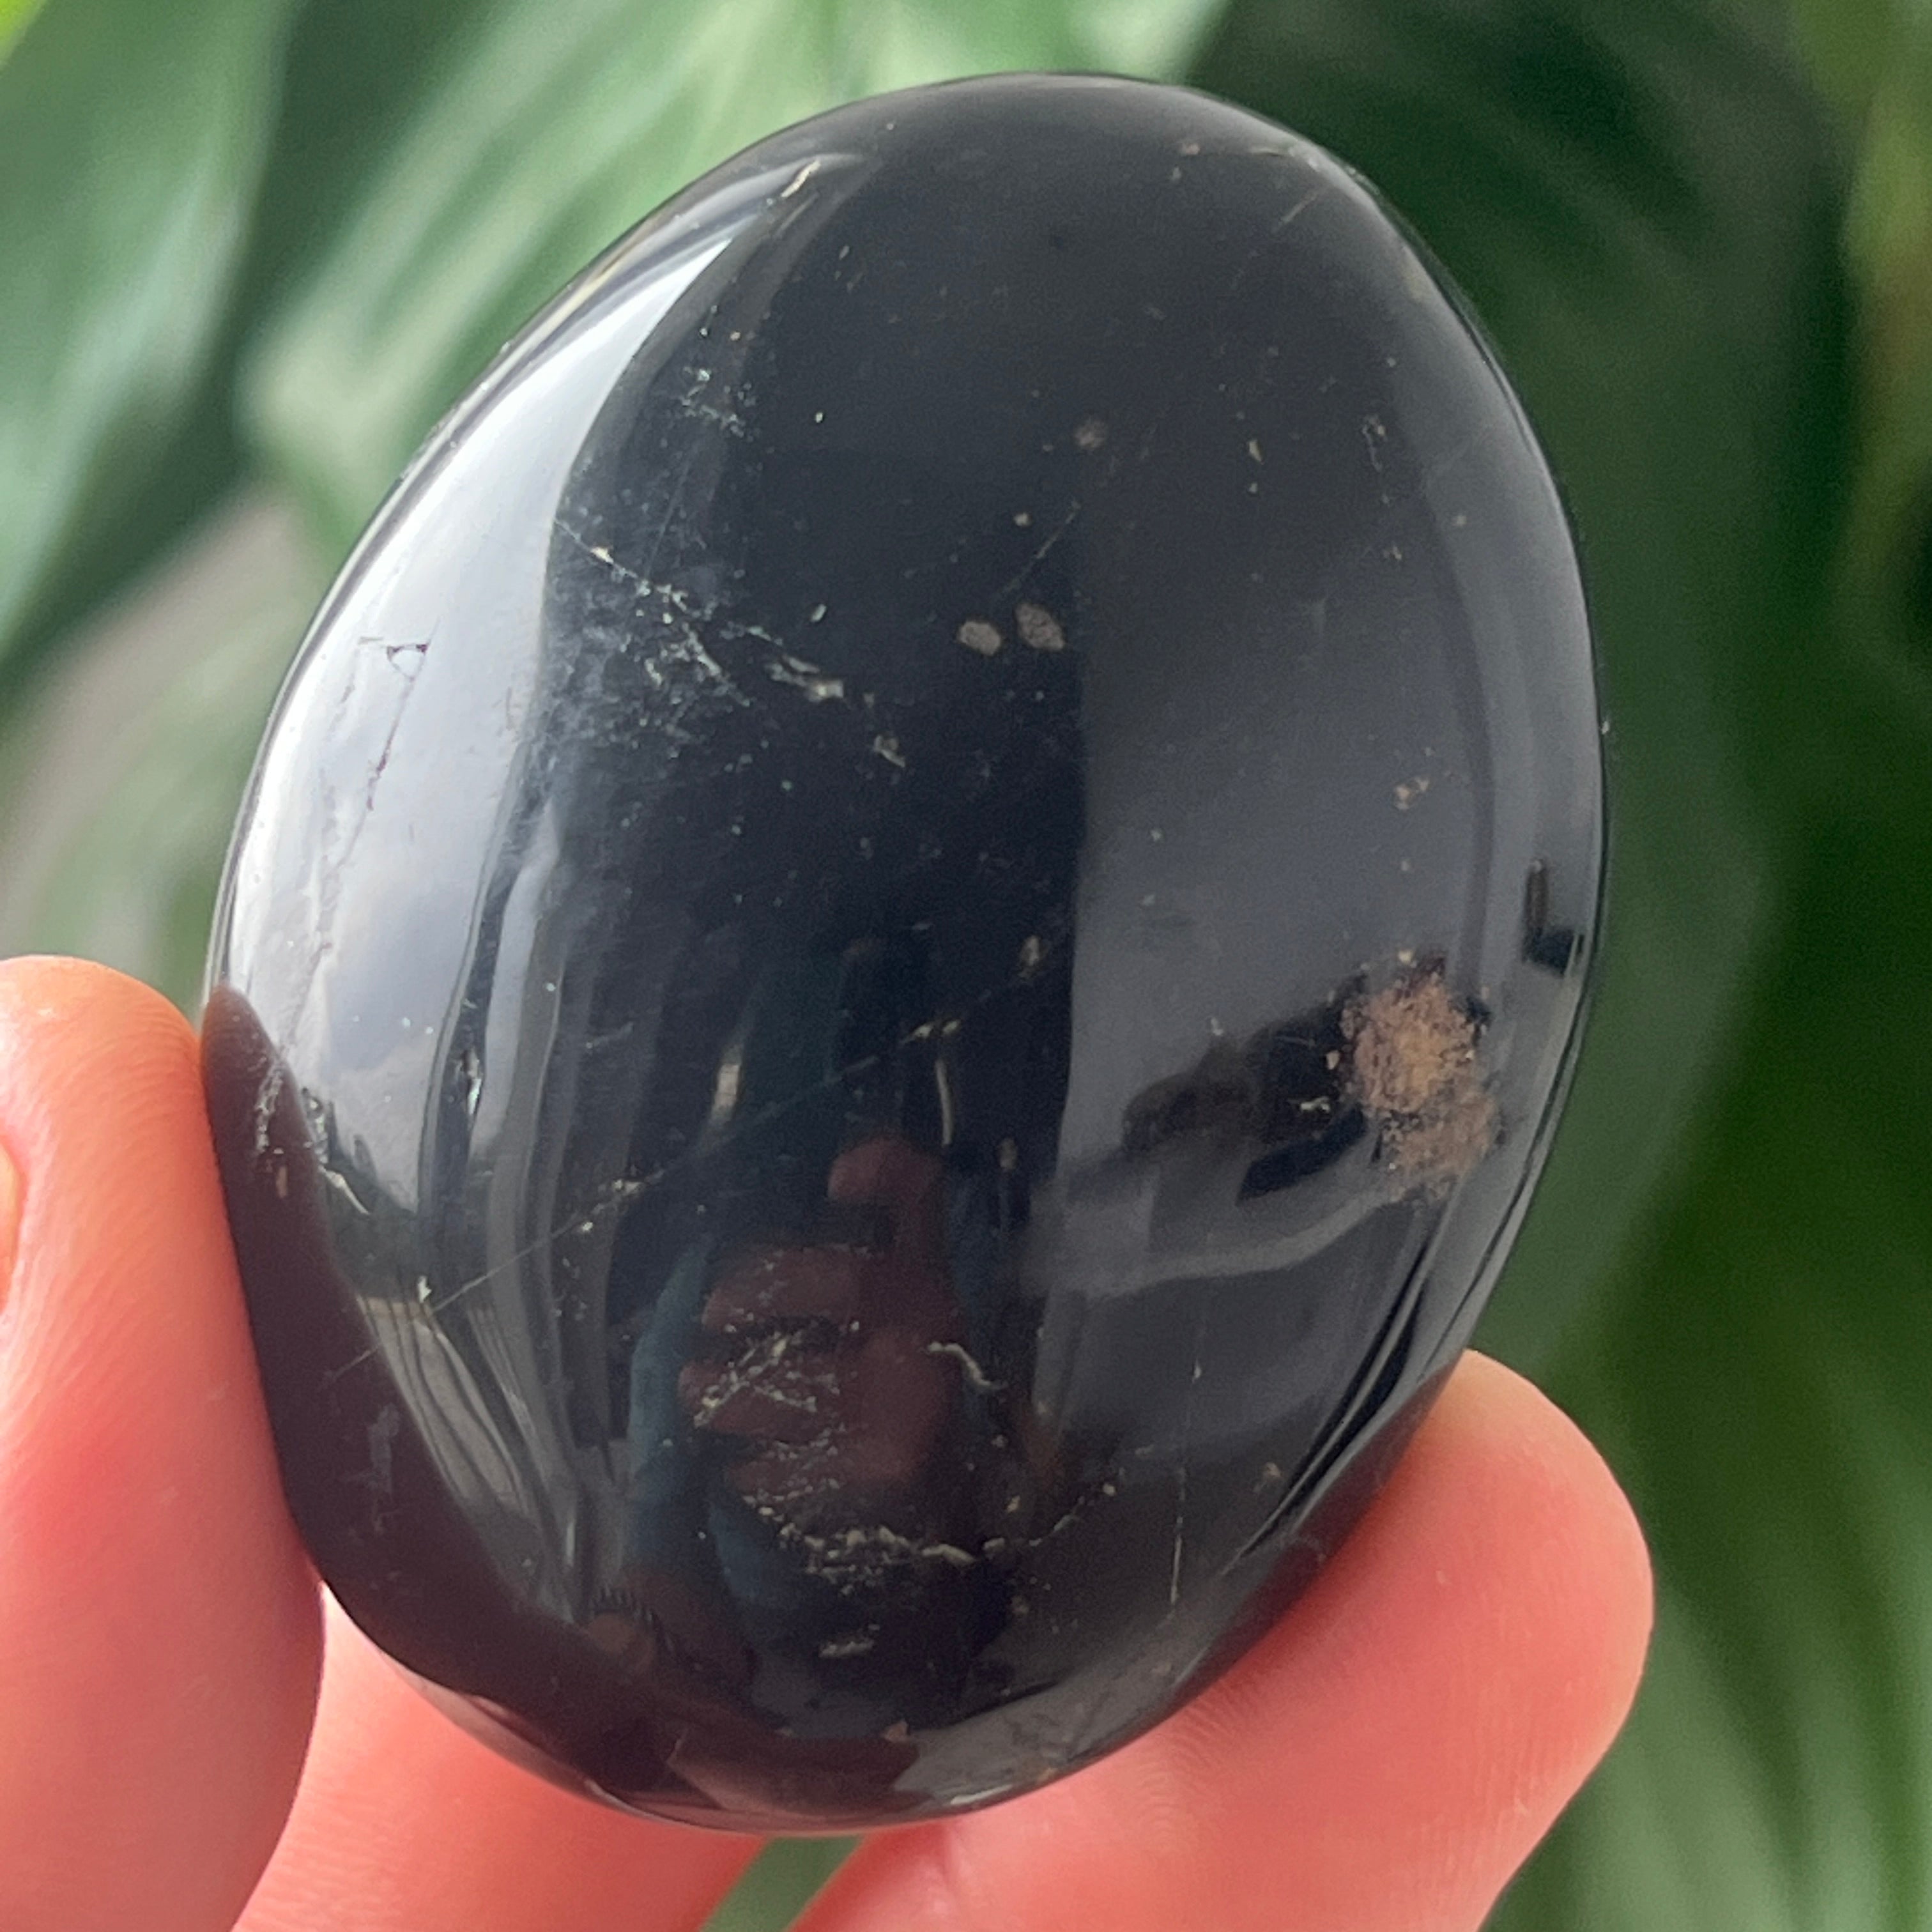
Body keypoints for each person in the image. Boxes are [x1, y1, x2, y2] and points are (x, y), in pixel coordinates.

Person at [0, 954, 1651, 1931]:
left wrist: (967, 1420)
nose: (853, 1184)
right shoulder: (691, 1329)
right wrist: (665, 1582)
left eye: (913, 1155)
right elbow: (654, 1508)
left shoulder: (1005, 1275)